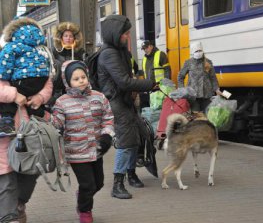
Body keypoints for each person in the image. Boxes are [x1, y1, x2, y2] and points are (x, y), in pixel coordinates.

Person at [97, 14, 158, 199]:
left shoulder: (120, 51)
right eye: (125, 33)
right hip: (115, 103)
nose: (128, 37)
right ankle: (117, 184)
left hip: (125, 101)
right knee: (125, 142)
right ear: (115, 34)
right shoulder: (109, 54)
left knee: (137, 137)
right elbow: (124, 81)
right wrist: (150, 84)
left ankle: (131, 174)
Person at [0, 20, 53, 223]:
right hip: (5, 127)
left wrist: (39, 98)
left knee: (32, 170)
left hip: (31, 126)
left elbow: (48, 82)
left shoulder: (41, 55)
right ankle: (9, 216)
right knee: (6, 176)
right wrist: (14, 95)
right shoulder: (6, 54)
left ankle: (19, 204)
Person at [52, 60, 114, 223]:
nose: (81, 81)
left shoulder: (99, 97)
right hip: (76, 151)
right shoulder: (62, 102)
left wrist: (107, 136)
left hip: (96, 150)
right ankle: (85, 211)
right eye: (76, 78)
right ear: (68, 81)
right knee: (88, 184)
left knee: (98, 183)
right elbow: (56, 123)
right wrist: (54, 128)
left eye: (83, 77)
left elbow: (108, 118)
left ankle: (83, 197)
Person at [0, 17, 52, 136]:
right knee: (34, 108)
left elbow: (4, 69)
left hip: (22, 81)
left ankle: (6, 122)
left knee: (8, 107)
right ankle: (42, 114)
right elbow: (48, 76)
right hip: (39, 79)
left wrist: (41, 97)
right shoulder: (40, 49)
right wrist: (15, 96)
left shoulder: (10, 48)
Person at [48, 22, 86, 108]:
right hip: (58, 92)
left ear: (74, 38)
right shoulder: (54, 52)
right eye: (65, 36)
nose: (68, 38)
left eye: (71, 36)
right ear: (61, 37)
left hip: (76, 90)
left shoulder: (80, 52)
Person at [178, 42, 222, 112]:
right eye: (196, 51)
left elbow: (213, 77)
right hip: (194, 96)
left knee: (207, 116)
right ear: (193, 52)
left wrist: (217, 89)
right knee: (196, 116)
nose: (198, 52)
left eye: (200, 50)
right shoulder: (188, 62)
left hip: (207, 95)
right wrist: (182, 89)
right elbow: (180, 76)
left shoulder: (208, 62)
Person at [140, 40, 171, 107]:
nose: (145, 50)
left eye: (146, 47)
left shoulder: (160, 54)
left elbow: (167, 70)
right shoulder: (144, 59)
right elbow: (144, 74)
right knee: (153, 106)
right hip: (149, 87)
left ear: (151, 46)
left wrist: (166, 85)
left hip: (160, 87)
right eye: (144, 49)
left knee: (161, 106)